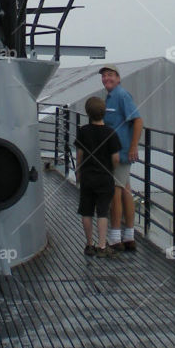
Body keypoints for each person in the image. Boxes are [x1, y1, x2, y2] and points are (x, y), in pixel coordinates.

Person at [99, 64, 143, 252]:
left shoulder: (121, 96)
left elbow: (138, 120)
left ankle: (115, 236)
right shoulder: (110, 97)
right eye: (104, 76)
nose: (106, 78)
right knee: (125, 190)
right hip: (115, 150)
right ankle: (129, 236)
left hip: (121, 152)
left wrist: (133, 147)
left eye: (110, 75)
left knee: (114, 191)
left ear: (118, 78)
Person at [74, 96, 120, 258]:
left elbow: (79, 155)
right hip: (104, 178)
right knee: (102, 212)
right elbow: (115, 158)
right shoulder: (111, 133)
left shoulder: (83, 132)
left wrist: (78, 172)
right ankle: (102, 245)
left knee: (86, 211)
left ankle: (89, 244)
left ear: (88, 113)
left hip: (87, 177)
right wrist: (111, 170)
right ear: (104, 113)